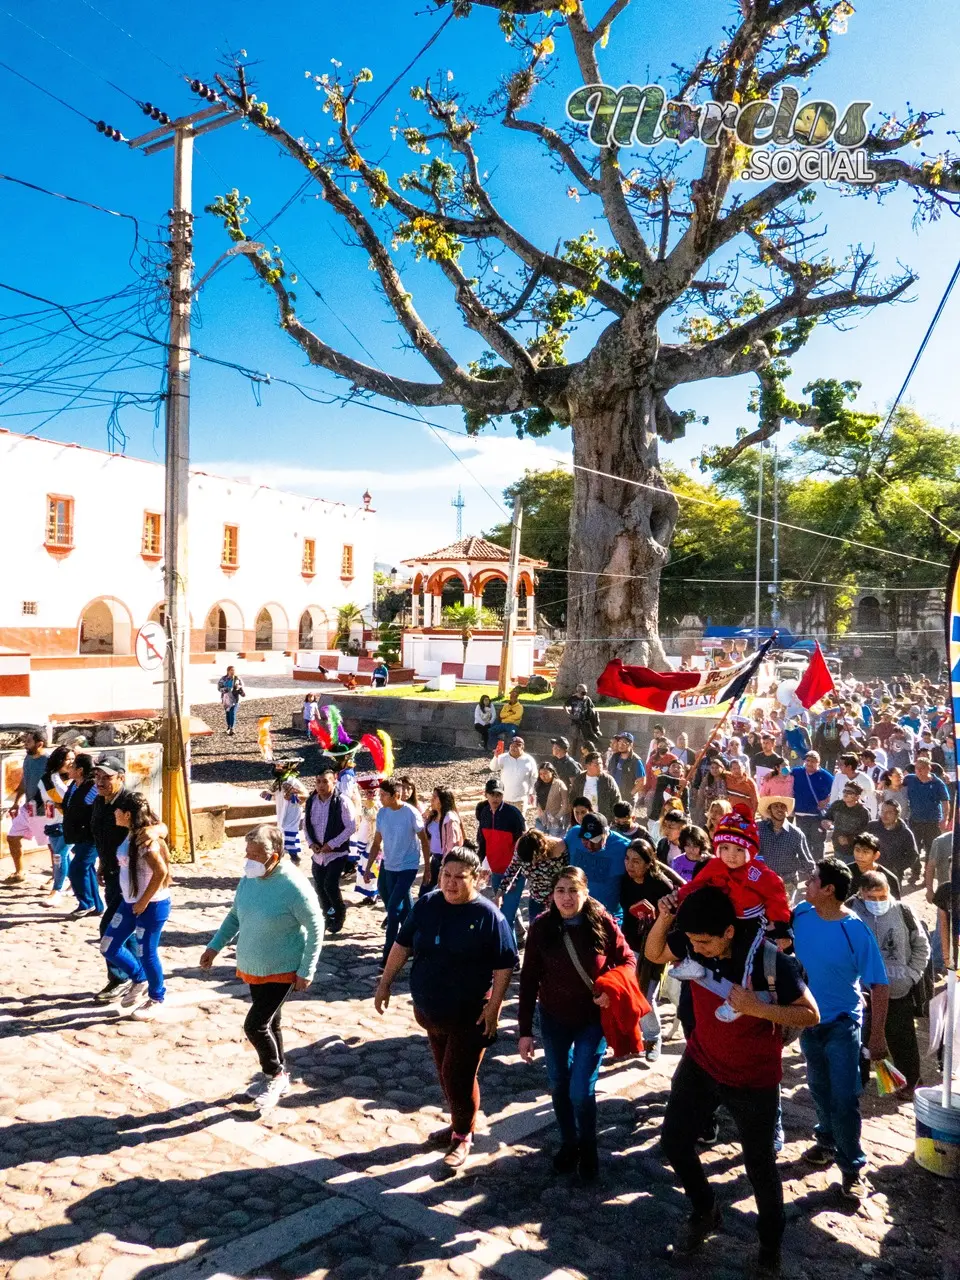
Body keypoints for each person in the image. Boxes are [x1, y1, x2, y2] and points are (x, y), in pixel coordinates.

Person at [646, 886, 818, 1274]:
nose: (696, 949)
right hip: (701, 1063)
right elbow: (655, 953)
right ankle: (706, 1211)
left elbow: (810, 1015)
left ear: (727, 932)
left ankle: (769, 1249)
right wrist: (664, 918)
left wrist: (756, 1006)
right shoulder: (694, 939)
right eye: (691, 942)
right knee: (675, 1142)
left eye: (703, 942)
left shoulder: (770, 962)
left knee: (759, 1168)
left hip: (753, 1079)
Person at [375, 849, 517, 1173]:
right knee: (446, 1075)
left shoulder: (488, 916)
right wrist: (384, 983)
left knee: (457, 1075)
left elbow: (504, 965)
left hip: (471, 1016)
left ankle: (462, 1136)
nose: (451, 883)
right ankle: (458, 1123)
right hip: (431, 1011)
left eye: (459, 877)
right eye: (446, 876)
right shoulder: (427, 904)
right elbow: (403, 944)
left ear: (476, 878)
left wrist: (495, 1008)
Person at [518, 866, 636, 1181]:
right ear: (551, 895)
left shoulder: (602, 922)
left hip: (591, 1021)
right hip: (554, 1018)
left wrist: (610, 986)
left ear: (585, 892)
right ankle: (569, 1142)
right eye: (561, 891)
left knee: (581, 1090)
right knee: (559, 1083)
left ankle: (588, 1145)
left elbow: (628, 960)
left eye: (573, 891)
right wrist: (525, 1031)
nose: (567, 898)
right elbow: (528, 979)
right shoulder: (542, 927)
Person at [201, 825, 324, 1111]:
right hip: (254, 965)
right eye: (248, 853)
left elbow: (316, 925)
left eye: (257, 854)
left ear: (275, 854)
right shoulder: (249, 878)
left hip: (283, 967)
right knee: (272, 1023)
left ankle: (274, 1074)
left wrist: (307, 969)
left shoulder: (292, 885)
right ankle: (280, 1073)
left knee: (255, 1026)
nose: (250, 859)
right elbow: (236, 914)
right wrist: (214, 946)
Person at [792, 858, 890, 1200]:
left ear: (829, 890)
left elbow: (879, 984)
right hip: (808, 1022)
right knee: (819, 1089)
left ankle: (851, 1169)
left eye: (813, 880)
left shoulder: (855, 930)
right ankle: (826, 1142)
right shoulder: (801, 914)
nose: (807, 883)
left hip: (843, 1025)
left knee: (846, 1097)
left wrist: (876, 1036)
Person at [849, 871, 929, 1099]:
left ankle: (909, 1083)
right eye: (871, 898)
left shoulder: (903, 911)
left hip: (897, 989)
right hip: (861, 993)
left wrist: (910, 975)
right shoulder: (849, 911)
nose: (877, 903)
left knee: (903, 1039)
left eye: (882, 897)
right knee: (859, 1041)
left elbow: (921, 947)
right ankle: (858, 1083)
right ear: (861, 893)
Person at [100, 792, 173, 1020]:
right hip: (129, 902)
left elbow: (161, 872)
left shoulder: (144, 840)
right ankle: (138, 978)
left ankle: (156, 997)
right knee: (108, 946)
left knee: (147, 952)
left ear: (128, 814)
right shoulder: (131, 834)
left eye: (118, 811)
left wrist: (143, 901)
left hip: (151, 906)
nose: (114, 813)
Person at [675, 805, 792, 944]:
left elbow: (775, 895)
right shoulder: (714, 865)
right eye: (725, 847)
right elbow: (695, 886)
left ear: (750, 852)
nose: (731, 855)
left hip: (752, 923)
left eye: (739, 849)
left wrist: (780, 928)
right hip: (723, 923)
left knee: (748, 957)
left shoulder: (756, 871)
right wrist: (677, 899)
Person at [620, 839, 684, 1060]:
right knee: (629, 991)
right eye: (627, 859)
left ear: (648, 863)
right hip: (630, 944)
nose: (630, 865)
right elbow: (627, 909)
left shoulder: (661, 885)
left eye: (637, 861)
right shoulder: (625, 882)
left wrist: (657, 917)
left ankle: (653, 1037)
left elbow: (673, 919)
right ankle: (634, 1035)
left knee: (646, 994)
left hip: (655, 948)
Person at [364, 778, 431, 966]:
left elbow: (424, 841)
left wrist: (426, 868)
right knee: (394, 901)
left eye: (384, 795)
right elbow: (377, 842)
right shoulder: (383, 813)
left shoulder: (411, 813)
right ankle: (416, 939)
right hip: (388, 864)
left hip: (408, 866)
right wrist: (368, 867)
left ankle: (388, 955)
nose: (381, 798)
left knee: (393, 910)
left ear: (396, 795)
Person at [90, 757, 139, 1003]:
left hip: (129, 877)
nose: (100, 781)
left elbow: (155, 828)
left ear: (121, 777)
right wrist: (102, 863)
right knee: (125, 931)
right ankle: (135, 974)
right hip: (111, 875)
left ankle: (123, 978)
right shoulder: (100, 801)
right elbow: (102, 836)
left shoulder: (130, 801)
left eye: (106, 777)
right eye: (97, 776)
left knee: (109, 929)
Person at [306, 767, 357, 935]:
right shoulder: (311, 801)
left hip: (336, 853)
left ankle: (339, 912)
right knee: (319, 887)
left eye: (325, 781)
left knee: (330, 885)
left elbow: (351, 826)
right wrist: (311, 842)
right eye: (318, 782)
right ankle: (328, 914)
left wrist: (332, 844)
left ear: (334, 781)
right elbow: (306, 824)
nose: (321, 785)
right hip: (318, 853)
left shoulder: (341, 801)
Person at [3, 729, 49, 885]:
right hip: (28, 808)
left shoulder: (49, 761)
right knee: (12, 838)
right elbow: (24, 781)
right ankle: (20, 871)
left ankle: (57, 878)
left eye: (28, 742)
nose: (25, 745)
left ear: (39, 744)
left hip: (45, 810)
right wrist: (16, 802)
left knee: (52, 845)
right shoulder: (28, 759)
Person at [564, 812, 630, 920]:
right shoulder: (573, 834)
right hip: (575, 912)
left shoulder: (624, 847)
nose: (589, 846)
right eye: (585, 840)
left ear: (605, 833)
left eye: (595, 841)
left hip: (608, 916)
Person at [498, 829, 568, 928]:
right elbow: (512, 869)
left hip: (558, 898)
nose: (532, 864)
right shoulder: (521, 846)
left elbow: (569, 875)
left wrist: (557, 893)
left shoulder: (559, 847)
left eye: (534, 860)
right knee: (535, 930)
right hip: (536, 897)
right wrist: (499, 894)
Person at [63, 753, 102, 916]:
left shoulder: (92, 787)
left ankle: (86, 903)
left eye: (72, 766)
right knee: (87, 869)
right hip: (78, 835)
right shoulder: (74, 785)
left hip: (90, 837)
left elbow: (96, 808)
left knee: (76, 869)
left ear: (79, 770)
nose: (68, 768)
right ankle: (97, 906)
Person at [756, 795, 814, 903]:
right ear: (769, 810)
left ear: (787, 810)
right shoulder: (759, 828)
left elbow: (806, 859)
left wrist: (813, 878)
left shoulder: (796, 834)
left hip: (788, 881)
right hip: (764, 880)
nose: (779, 809)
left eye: (782, 807)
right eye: (776, 806)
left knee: (785, 911)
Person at [38, 745, 75, 906]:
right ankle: (75, 882)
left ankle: (56, 890)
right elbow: (64, 798)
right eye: (68, 759)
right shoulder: (48, 779)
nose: (71, 763)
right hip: (53, 823)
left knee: (59, 855)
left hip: (69, 825)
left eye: (74, 759)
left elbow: (69, 801)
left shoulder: (77, 779)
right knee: (64, 856)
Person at [475, 779, 526, 890]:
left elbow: (523, 844)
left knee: (507, 906)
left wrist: (518, 870)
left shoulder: (513, 814)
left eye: (499, 794)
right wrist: (483, 864)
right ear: (486, 794)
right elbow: (482, 841)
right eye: (492, 794)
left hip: (513, 871)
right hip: (495, 870)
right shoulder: (484, 813)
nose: (495, 798)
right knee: (501, 905)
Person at [902, 756, 950, 867]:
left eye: (922, 768)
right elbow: (895, 783)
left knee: (931, 849)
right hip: (915, 820)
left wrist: (945, 819)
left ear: (929, 768)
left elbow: (945, 802)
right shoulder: (910, 779)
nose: (918, 771)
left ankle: (927, 876)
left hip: (932, 822)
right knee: (914, 848)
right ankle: (915, 872)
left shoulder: (938, 784)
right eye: (916, 768)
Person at [864, 799, 920, 886]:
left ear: (897, 814)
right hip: (870, 872)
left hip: (893, 875)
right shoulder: (871, 827)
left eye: (889, 812)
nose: (884, 815)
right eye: (882, 811)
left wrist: (897, 867)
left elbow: (913, 855)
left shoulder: (905, 833)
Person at [422, 787, 465, 891]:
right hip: (435, 859)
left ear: (442, 800)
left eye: (434, 797)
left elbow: (453, 845)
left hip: (445, 860)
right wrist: (425, 817)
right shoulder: (434, 816)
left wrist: (445, 867)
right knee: (425, 891)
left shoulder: (450, 819)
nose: (431, 800)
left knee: (437, 892)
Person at [822, 782, 871, 862]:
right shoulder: (837, 805)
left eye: (849, 792)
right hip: (837, 848)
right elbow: (827, 817)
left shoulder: (863, 812)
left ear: (857, 796)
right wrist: (825, 822)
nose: (845, 794)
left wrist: (849, 839)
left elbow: (866, 834)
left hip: (855, 852)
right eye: (844, 791)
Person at [570, 751, 621, 824]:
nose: (601, 766)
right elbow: (572, 798)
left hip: (602, 821)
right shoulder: (579, 780)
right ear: (588, 765)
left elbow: (617, 800)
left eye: (601, 763)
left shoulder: (608, 780)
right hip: (583, 821)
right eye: (597, 764)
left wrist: (612, 818)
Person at [490, 736, 538, 809]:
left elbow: (534, 778)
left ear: (522, 747)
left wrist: (532, 793)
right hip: (504, 798)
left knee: (519, 820)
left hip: (521, 799)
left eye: (516, 746)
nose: (513, 748)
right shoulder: (502, 757)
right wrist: (496, 757)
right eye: (512, 746)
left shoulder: (529, 760)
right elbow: (493, 768)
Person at [849, 833, 901, 899]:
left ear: (876, 855)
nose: (860, 855)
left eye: (865, 852)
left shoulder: (889, 878)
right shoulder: (843, 873)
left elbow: (894, 906)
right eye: (857, 850)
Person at [828, 752, 877, 819]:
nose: (839, 766)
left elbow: (872, 801)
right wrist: (831, 815)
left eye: (841, 764)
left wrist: (872, 820)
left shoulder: (866, 780)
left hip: (858, 814)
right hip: (841, 813)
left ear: (849, 767)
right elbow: (834, 795)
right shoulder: (838, 776)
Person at [606, 733, 645, 806]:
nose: (621, 745)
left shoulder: (636, 761)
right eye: (620, 742)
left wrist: (630, 794)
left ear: (631, 745)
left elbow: (642, 781)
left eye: (624, 743)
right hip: (612, 795)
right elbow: (608, 773)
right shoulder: (615, 757)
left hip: (627, 799)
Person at [565, 684, 601, 759]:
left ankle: (588, 755)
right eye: (582, 692)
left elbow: (592, 709)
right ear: (578, 691)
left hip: (584, 721)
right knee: (574, 738)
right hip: (575, 722)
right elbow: (565, 705)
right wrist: (568, 713)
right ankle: (573, 755)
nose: (584, 694)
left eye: (585, 692)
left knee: (586, 739)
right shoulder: (573, 698)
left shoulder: (587, 699)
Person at [533, 761, 567, 837]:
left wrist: (557, 817)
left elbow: (565, 804)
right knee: (540, 841)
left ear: (552, 772)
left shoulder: (559, 784)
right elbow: (537, 801)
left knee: (554, 842)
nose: (543, 776)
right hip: (541, 818)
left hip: (555, 818)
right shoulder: (538, 784)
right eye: (541, 774)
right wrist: (539, 812)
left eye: (545, 773)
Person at [217, 665, 246, 736]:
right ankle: (228, 726)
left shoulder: (237, 679)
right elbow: (219, 688)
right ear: (228, 671)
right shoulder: (223, 679)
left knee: (233, 712)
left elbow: (241, 686)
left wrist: (239, 688)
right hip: (226, 699)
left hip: (234, 698)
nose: (233, 672)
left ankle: (232, 728)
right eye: (231, 670)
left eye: (234, 670)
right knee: (228, 713)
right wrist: (227, 689)